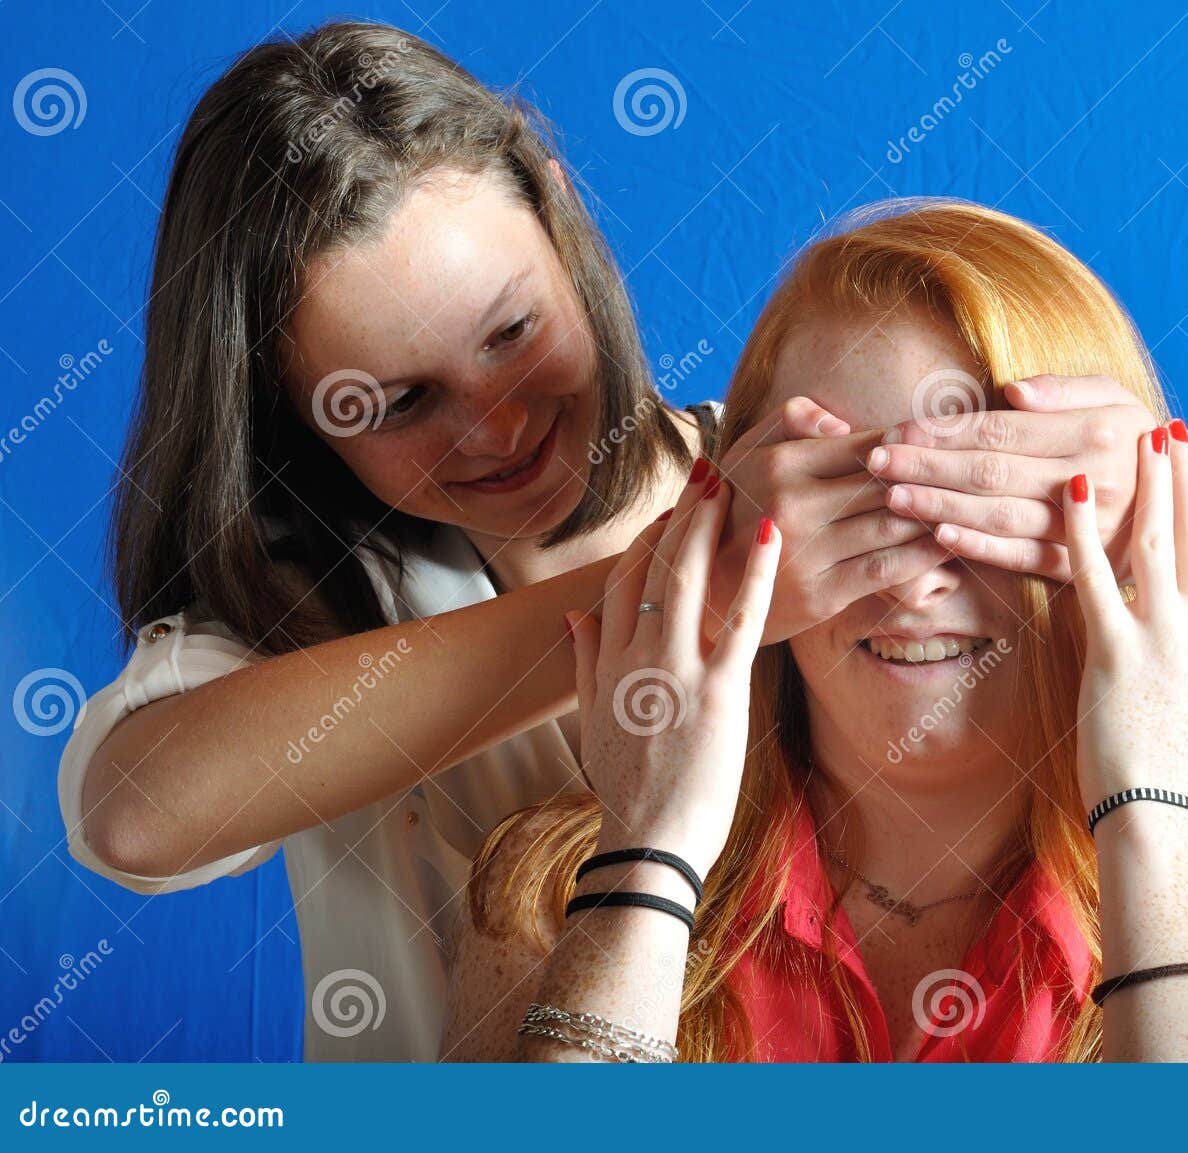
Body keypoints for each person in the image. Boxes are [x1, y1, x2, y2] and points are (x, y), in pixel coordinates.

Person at [442, 200, 1188, 1061]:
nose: (916, 584)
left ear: (1110, 531)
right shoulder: (547, 906)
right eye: (853, 508)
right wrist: (649, 848)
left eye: (988, 505)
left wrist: (1157, 801)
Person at [52, 23, 946, 1061]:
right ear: (291, 410)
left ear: (559, 214)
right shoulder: (317, 608)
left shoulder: (814, 489)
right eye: (399, 402)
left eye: (513, 333)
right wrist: (677, 587)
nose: (498, 429)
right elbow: (132, 816)